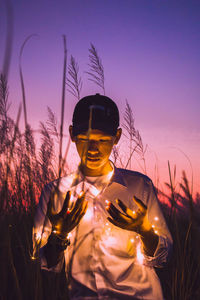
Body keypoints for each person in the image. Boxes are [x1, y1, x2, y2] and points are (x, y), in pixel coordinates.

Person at [33, 94, 173, 300]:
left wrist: (144, 231)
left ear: (116, 137)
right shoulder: (55, 193)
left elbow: (163, 257)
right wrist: (59, 236)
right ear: (72, 134)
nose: (93, 149)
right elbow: (45, 265)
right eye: (85, 139)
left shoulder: (140, 186)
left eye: (103, 140)